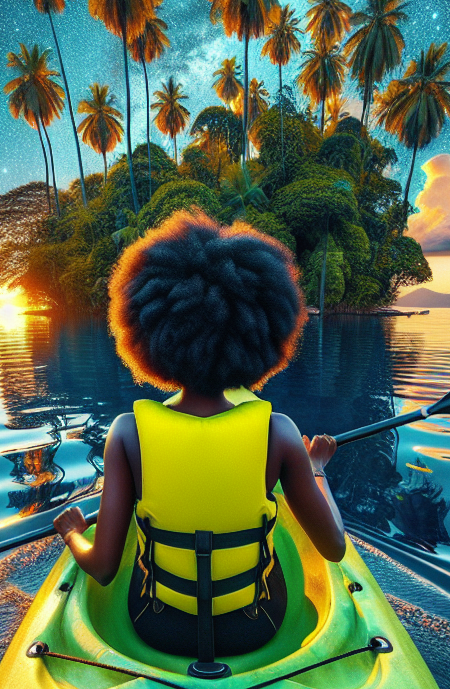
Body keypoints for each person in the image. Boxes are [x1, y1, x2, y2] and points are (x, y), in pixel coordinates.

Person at [53, 210, 345, 661]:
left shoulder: (127, 434)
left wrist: (73, 532)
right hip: (255, 627)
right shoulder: (280, 433)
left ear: (148, 334)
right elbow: (335, 547)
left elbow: (104, 568)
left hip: (156, 626)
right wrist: (316, 469)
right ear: (264, 333)